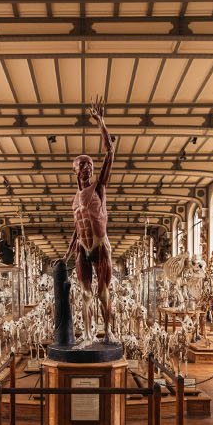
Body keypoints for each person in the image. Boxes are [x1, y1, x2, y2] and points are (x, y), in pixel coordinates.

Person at [65, 97, 116, 346]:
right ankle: (86, 334)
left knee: (102, 293)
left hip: (100, 245)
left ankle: (108, 331)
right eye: (83, 165)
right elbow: (77, 228)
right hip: (82, 248)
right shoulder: (75, 200)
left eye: (90, 165)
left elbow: (110, 152)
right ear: (75, 170)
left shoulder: (99, 187)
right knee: (84, 295)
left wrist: (101, 123)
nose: (88, 168)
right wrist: (67, 251)